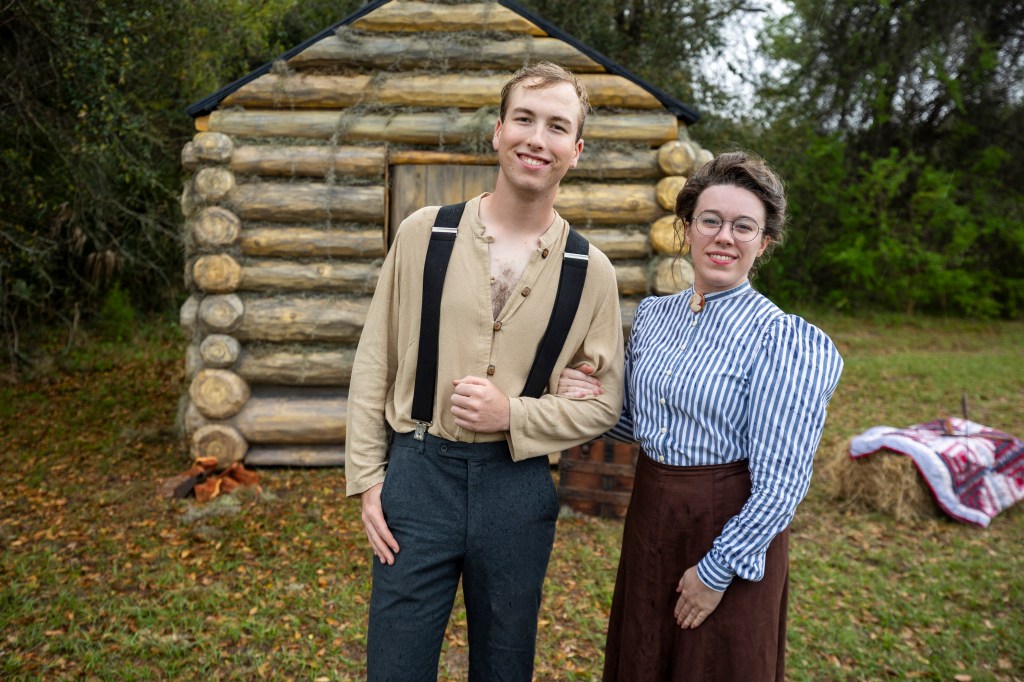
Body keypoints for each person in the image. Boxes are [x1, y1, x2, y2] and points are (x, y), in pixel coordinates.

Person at [345, 61, 625, 682]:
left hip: (517, 489)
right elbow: (375, 360)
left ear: (575, 151)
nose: (536, 138)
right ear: (497, 132)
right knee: (394, 665)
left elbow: (602, 403)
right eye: (524, 119)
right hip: (418, 475)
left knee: (504, 665)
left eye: (557, 127)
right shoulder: (425, 234)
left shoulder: (591, 271)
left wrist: (514, 414)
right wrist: (368, 480)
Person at [558, 150, 844, 681]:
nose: (724, 237)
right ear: (686, 229)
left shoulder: (783, 339)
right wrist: (588, 398)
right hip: (652, 513)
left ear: (764, 243)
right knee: (645, 656)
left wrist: (716, 572)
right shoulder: (655, 316)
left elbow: (782, 486)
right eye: (710, 221)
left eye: (744, 226)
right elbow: (639, 424)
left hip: (728, 524)